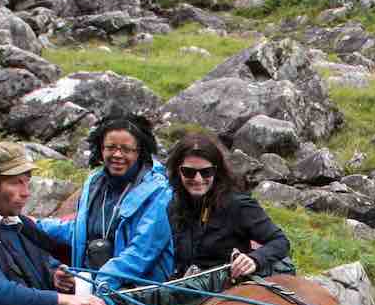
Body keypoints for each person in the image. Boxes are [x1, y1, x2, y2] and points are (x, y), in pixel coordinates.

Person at [0, 142, 108, 305]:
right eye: (16, 183)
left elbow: (43, 258)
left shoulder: (17, 222)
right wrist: (65, 300)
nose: (26, 193)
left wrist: (54, 275)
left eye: (27, 182)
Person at [28, 115, 173, 292]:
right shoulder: (94, 183)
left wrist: (95, 287)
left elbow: (143, 251)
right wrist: (35, 225)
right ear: (100, 148)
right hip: (94, 284)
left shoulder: (159, 191)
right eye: (111, 147)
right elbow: (81, 231)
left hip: (137, 291)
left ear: (140, 152)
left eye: (126, 149)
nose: (117, 155)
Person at [164, 131, 292, 281]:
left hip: (229, 287)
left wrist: (255, 260)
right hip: (188, 285)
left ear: (216, 171)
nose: (198, 179)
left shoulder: (238, 205)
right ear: (178, 171)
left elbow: (280, 241)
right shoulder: (174, 206)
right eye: (189, 172)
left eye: (206, 172)